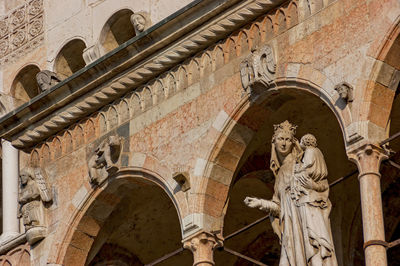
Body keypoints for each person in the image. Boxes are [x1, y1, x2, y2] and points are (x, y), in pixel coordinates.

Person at [244, 121, 337, 266]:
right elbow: (279, 207)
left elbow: (323, 186)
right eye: (280, 139)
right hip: (291, 227)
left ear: (293, 143)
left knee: (315, 256)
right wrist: (260, 203)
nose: (283, 144)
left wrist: (311, 185)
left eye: (287, 140)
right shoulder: (280, 174)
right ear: (274, 142)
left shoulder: (302, 163)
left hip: (309, 217)